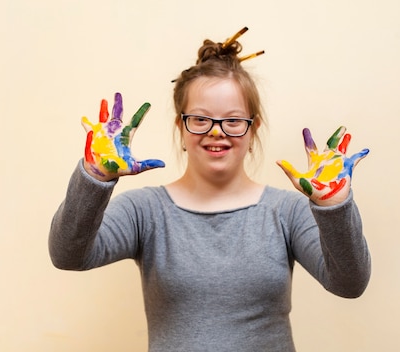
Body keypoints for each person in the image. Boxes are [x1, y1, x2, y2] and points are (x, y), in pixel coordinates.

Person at [48, 27, 371, 352]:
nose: (216, 133)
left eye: (232, 121)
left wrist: (335, 205)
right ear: (180, 125)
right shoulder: (143, 211)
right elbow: (68, 256)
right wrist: (94, 176)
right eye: (200, 120)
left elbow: (349, 284)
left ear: (252, 128)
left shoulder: (286, 211)